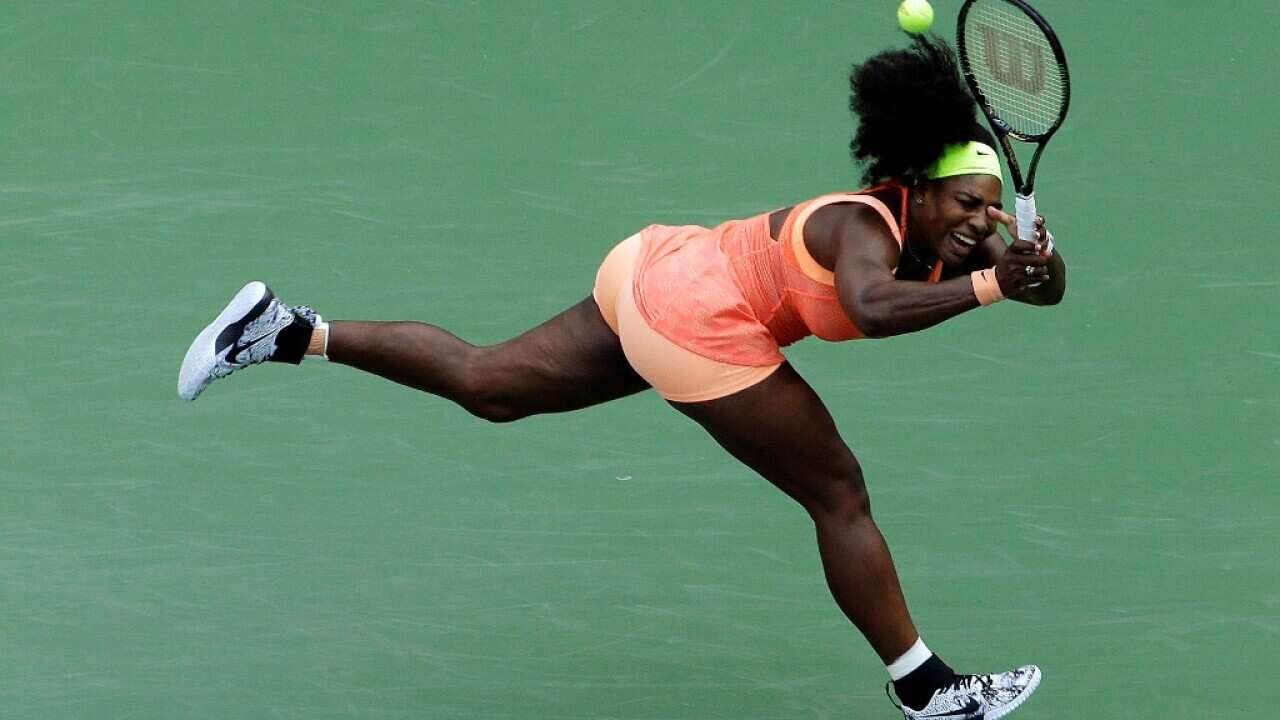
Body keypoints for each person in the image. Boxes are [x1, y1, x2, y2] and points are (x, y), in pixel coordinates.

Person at [178, 35, 1064, 720]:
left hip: (652, 270)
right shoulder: (860, 225)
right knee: (838, 493)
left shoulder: (967, 231)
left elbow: (1046, 292)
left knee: (491, 386)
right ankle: (927, 691)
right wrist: (991, 284)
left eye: (991, 207)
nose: (980, 219)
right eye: (967, 203)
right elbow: (871, 307)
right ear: (915, 186)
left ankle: (287, 331)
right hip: (699, 319)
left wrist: (1033, 259)